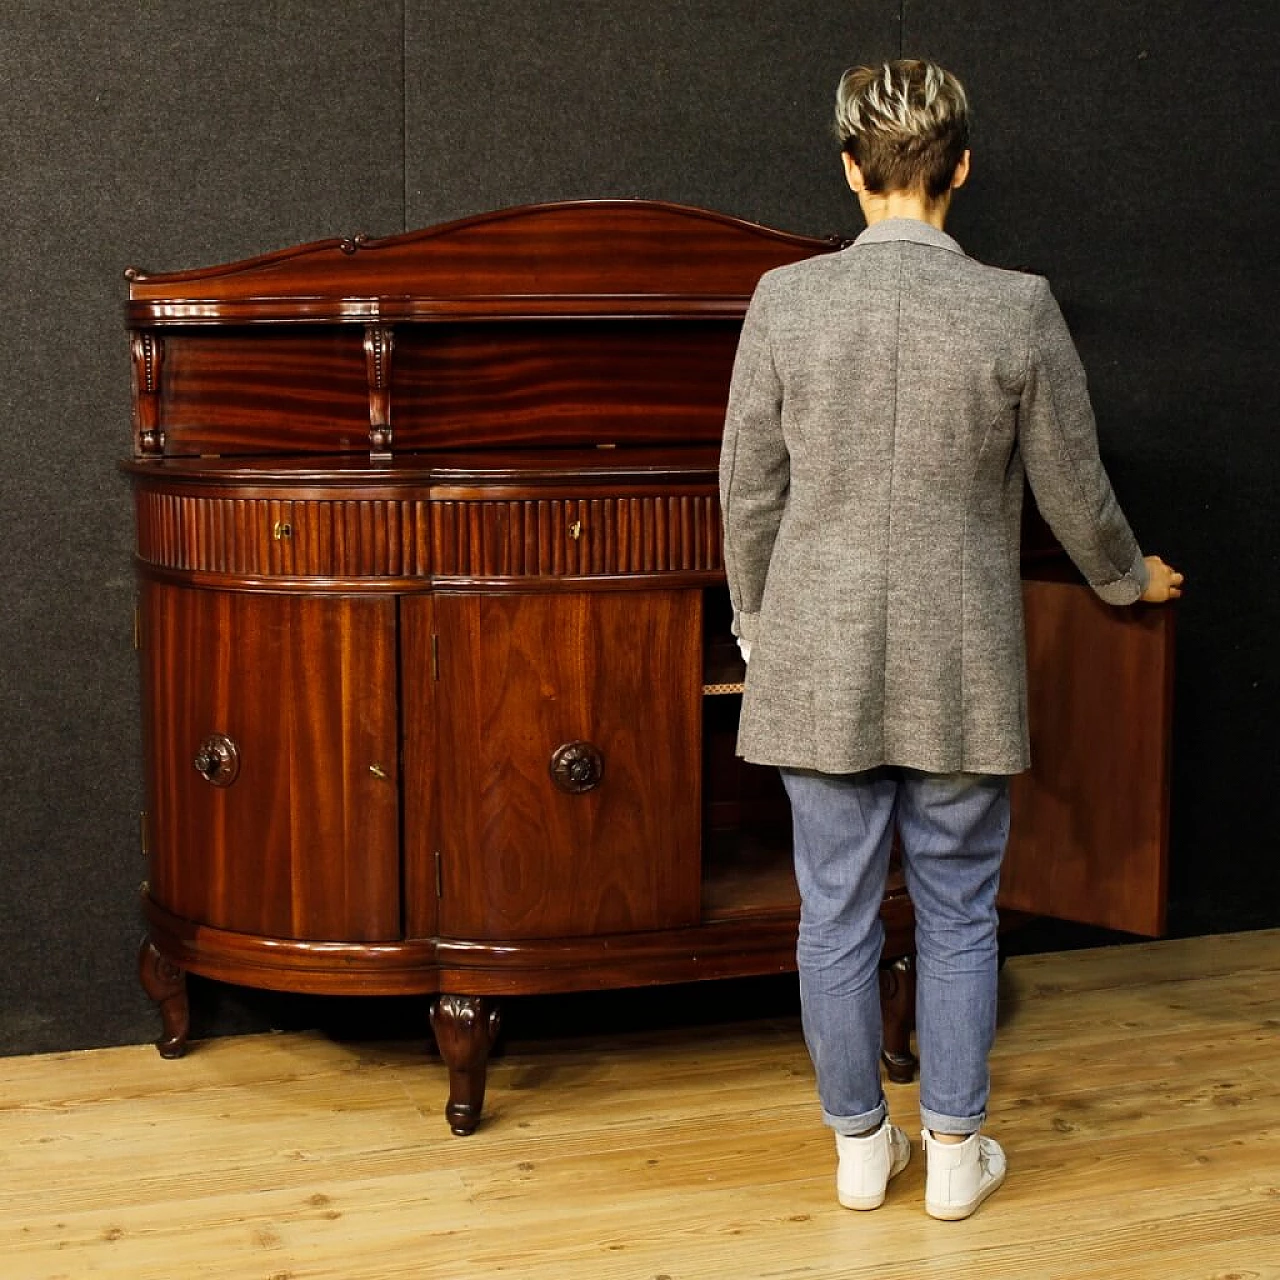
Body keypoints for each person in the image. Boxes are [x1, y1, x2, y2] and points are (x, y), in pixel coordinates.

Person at [718, 58, 1182, 1221]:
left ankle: (858, 1148)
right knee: (961, 906)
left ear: (847, 170)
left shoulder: (784, 298)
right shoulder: (1013, 304)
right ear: (960, 170)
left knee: (832, 909)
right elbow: (1071, 489)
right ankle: (957, 1150)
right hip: (959, 657)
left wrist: (758, 629)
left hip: (813, 654)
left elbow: (746, 493)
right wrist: (1126, 580)